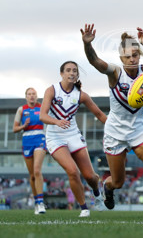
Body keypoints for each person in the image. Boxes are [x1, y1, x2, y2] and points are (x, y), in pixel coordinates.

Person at [81, 24, 143, 219]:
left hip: (138, 130)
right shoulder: (115, 73)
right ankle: (107, 188)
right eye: (127, 56)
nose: (132, 58)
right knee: (117, 182)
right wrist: (87, 45)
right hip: (115, 133)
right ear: (121, 58)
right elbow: (95, 62)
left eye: (135, 54)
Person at [39, 61, 108, 217]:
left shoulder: (81, 95)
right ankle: (84, 208)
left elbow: (99, 115)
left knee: (90, 176)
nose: (71, 73)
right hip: (55, 137)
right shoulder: (51, 90)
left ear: (77, 75)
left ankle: (97, 194)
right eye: (68, 70)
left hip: (73, 135)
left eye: (74, 71)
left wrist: (114, 127)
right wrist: (57, 121)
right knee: (72, 171)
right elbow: (42, 116)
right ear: (62, 73)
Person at [13, 87, 47, 214]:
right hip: (27, 140)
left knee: (37, 170)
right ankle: (36, 203)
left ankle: (41, 202)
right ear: (26, 96)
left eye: (34, 94)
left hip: (40, 138)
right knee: (32, 175)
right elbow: (14, 128)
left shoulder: (42, 107)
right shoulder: (21, 110)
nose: (32, 96)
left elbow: (48, 122)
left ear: (37, 96)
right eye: (29, 94)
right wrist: (23, 126)